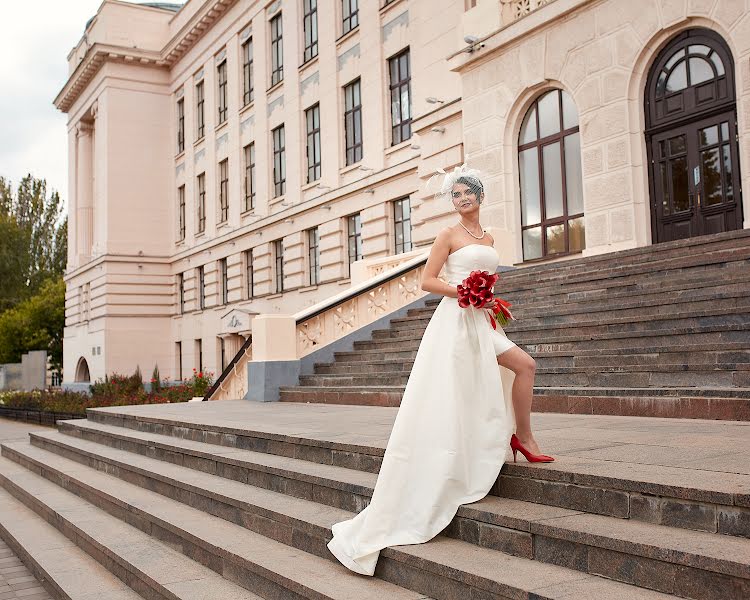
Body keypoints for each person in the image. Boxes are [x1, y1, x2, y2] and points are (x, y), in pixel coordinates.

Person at [326, 164, 554, 577]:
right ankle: (466, 451)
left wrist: (489, 301)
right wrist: (464, 292)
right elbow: (428, 282)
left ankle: (523, 436)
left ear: (480, 198)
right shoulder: (447, 235)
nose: (462, 200)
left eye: (469, 194)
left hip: (482, 321)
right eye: (457, 195)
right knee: (458, 391)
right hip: (454, 321)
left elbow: (487, 278)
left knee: (525, 365)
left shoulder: (488, 237)